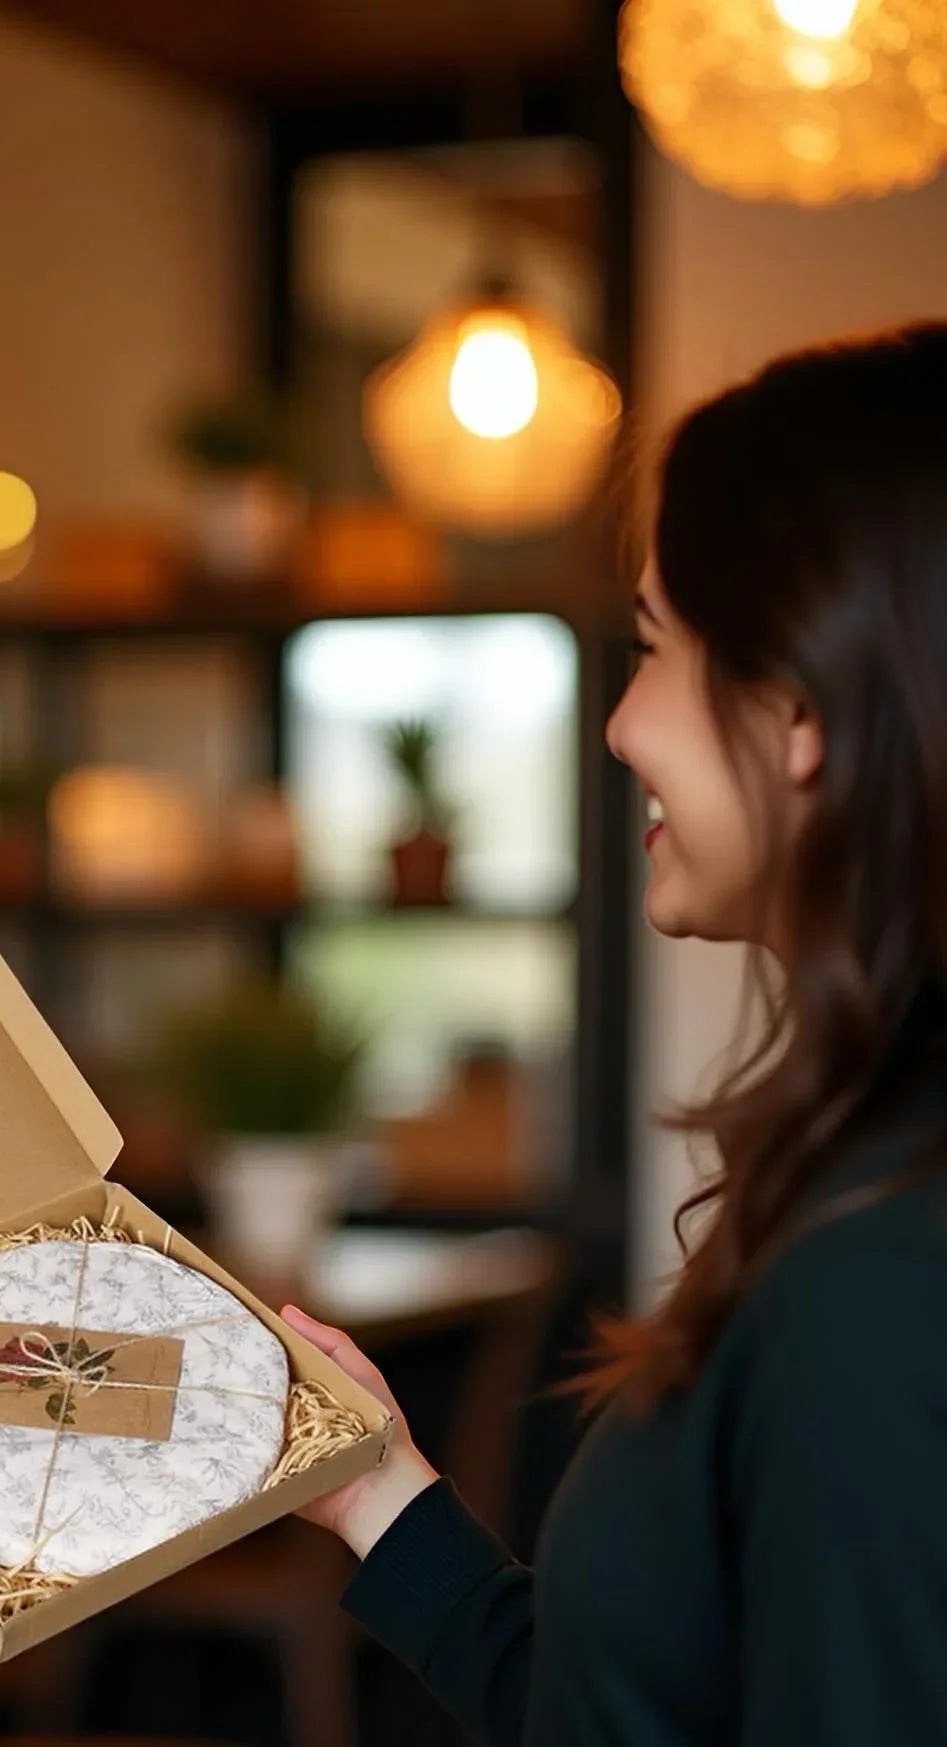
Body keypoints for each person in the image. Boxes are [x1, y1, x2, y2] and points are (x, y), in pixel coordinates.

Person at [288, 322, 947, 1745]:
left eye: (653, 648)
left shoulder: (879, 1284)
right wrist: (374, 1488)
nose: (621, 726)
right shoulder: (867, 1176)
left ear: (798, 712)